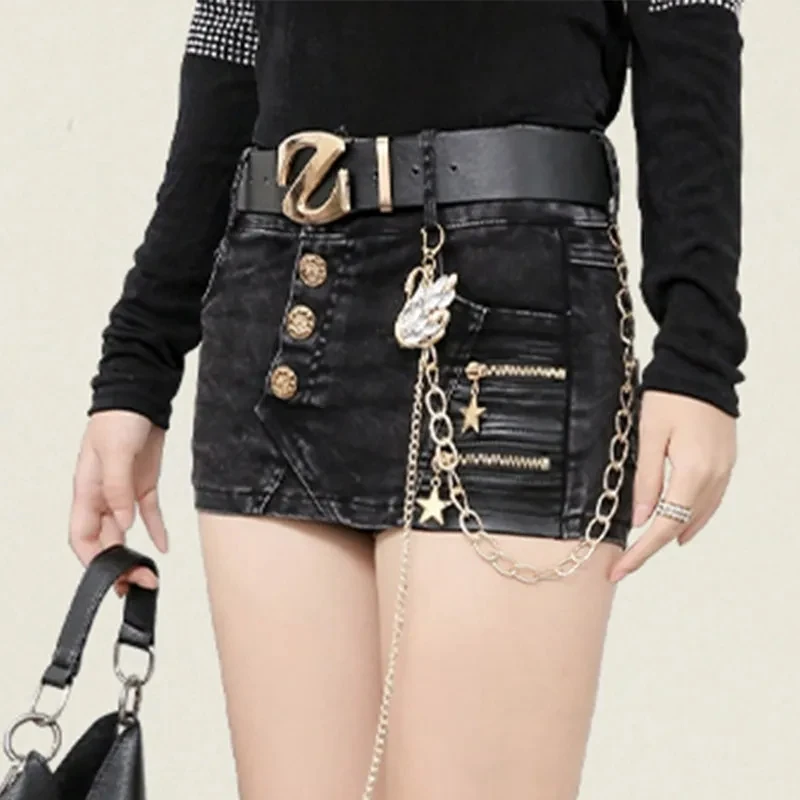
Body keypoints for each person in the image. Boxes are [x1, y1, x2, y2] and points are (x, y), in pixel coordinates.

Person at [68, 1, 746, 798]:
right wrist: (138, 364)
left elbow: (686, 15)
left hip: (509, 302)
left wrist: (699, 353)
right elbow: (232, 37)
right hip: (277, 290)